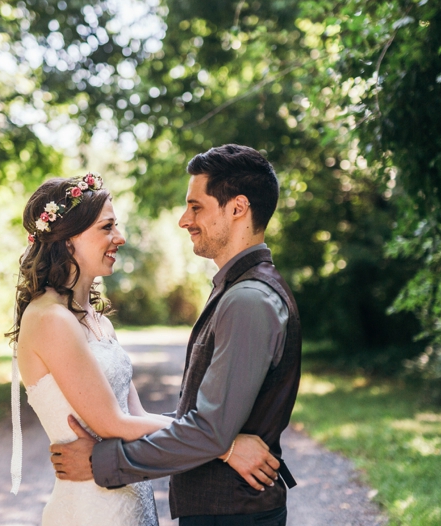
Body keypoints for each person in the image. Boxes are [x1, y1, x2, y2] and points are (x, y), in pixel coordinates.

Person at [50, 145, 302, 526]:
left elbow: (209, 431)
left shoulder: (249, 299)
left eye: (196, 206)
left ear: (237, 208)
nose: (185, 220)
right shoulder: (235, 290)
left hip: (232, 515)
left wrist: (101, 461)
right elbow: (207, 422)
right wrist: (227, 445)